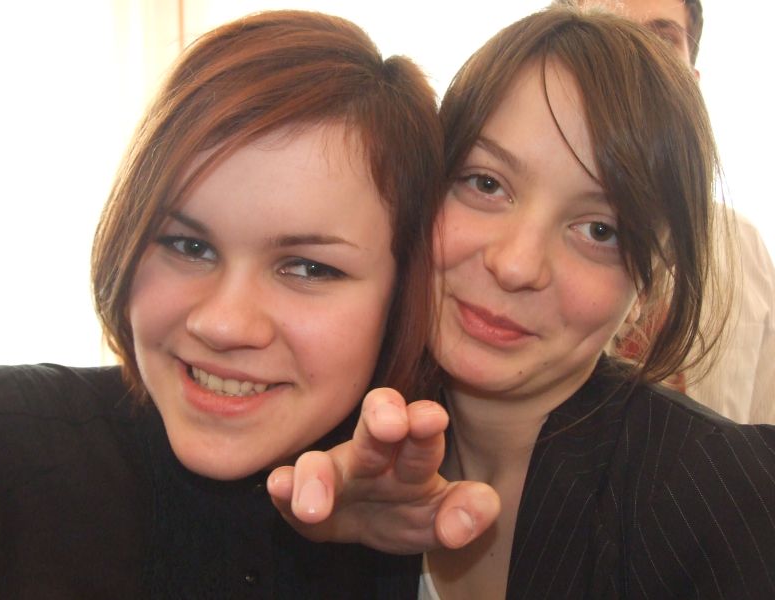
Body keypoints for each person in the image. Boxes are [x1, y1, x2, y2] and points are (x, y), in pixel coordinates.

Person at [271, 6, 775, 599]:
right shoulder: (331, 433)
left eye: (600, 230)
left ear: (649, 281)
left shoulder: (726, 502)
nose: (515, 265)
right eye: (486, 183)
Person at [0, 9, 481, 598]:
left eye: (308, 267)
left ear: (401, 295)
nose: (222, 323)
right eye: (188, 246)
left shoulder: (424, 507)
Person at [558, 0, 775, 423]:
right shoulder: (512, 243)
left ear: (691, 82)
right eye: (601, 31)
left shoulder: (743, 247)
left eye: (661, 41)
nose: (631, 60)